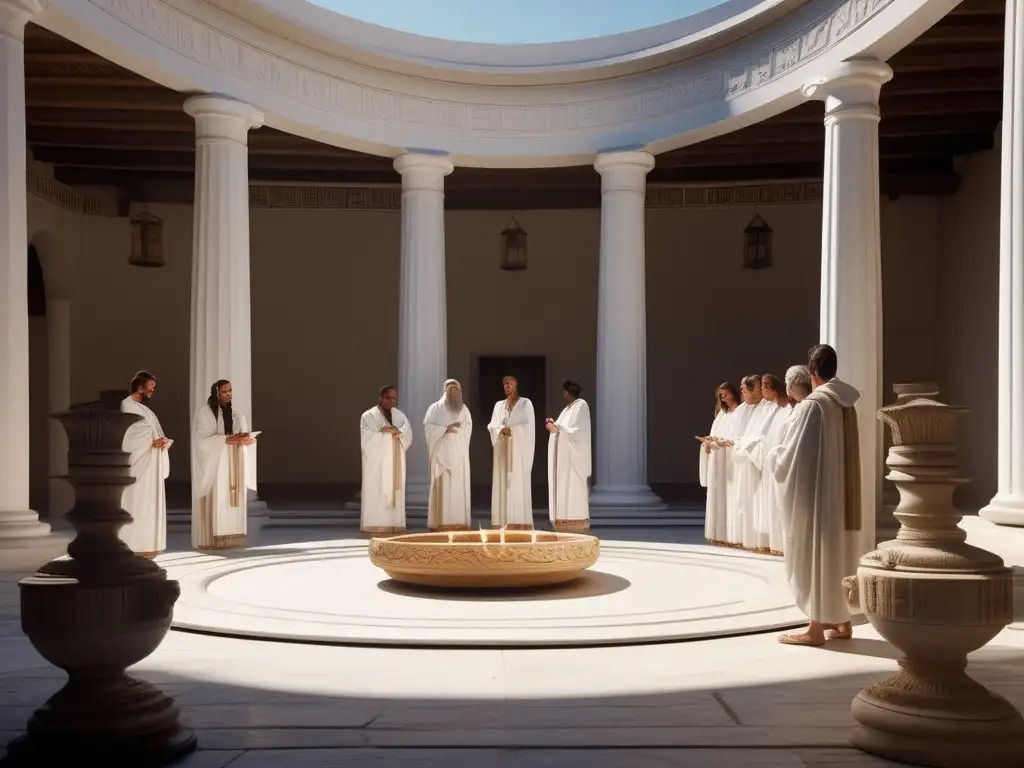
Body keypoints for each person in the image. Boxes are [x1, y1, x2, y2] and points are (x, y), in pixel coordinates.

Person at [766, 344, 864, 647]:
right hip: (843, 495)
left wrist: (772, 454)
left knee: (817, 558)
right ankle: (843, 622)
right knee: (838, 557)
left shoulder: (813, 405)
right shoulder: (846, 402)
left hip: (819, 497)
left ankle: (815, 629)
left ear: (812, 372)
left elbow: (796, 458)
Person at [191, 379, 257, 550]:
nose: (229, 394)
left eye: (230, 391)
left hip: (234, 461)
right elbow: (201, 440)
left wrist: (247, 440)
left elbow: (242, 435)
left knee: (233, 497)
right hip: (217, 463)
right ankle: (215, 539)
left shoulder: (237, 414)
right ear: (216, 393)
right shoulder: (206, 413)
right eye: (224, 392)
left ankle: (234, 537)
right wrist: (226, 439)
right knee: (219, 497)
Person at [120, 370, 170, 558]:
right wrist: (151, 442)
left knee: (147, 506)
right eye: (150, 388)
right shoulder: (125, 406)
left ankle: (147, 544)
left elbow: (150, 433)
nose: (152, 392)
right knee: (135, 504)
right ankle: (133, 545)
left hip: (151, 466)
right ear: (140, 387)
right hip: (137, 465)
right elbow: (127, 438)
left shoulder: (144, 409)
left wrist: (160, 442)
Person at [359, 385, 413, 535]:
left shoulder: (400, 416)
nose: (392, 401)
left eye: (394, 398)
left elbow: (408, 434)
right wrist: (385, 435)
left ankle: (394, 524)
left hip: (395, 462)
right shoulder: (368, 416)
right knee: (378, 491)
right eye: (389, 398)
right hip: (377, 465)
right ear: (381, 398)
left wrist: (398, 432)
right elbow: (367, 440)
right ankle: (375, 524)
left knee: (393, 491)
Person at [731, 374, 776, 549]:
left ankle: (760, 540)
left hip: (759, 460)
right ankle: (751, 538)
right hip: (747, 457)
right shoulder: (747, 409)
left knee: (758, 501)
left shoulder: (768, 408)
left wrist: (747, 445)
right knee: (750, 501)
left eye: (763, 386)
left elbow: (764, 434)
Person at [487, 375, 536, 530]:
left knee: (516, 483)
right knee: (502, 483)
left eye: (510, 383)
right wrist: (501, 429)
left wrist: (513, 430)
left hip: (518, 452)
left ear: (516, 385)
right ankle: (502, 522)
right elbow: (492, 425)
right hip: (502, 449)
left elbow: (528, 426)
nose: (507, 386)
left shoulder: (525, 403)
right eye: (505, 384)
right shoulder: (498, 405)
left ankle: (518, 522)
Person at [424, 379, 473, 531]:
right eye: (450, 387)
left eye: (456, 387)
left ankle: (460, 522)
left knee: (458, 488)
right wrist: (445, 429)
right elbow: (428, 427)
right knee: (443, 490)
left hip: (459, 454)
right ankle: (440, 523)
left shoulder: (464, 410)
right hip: (440, 455)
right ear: (444, 389)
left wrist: (457, 431)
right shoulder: (434, 408)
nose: (453, 389)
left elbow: (468, 428)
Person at [546, 380, 592, 532]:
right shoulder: (567, 409)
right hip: (564, 459)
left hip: (574, 459)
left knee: (573, 487)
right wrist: (553, 425)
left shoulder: (581, 405)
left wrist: (558, 427)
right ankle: (563, 520)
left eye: (565, 392)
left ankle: (576, 521)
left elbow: (578, 430)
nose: (564, 395)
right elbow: (561, 428)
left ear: (568, 393)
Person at [699, 381, 740, 547]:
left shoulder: (740, 411)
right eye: (720, 394)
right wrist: (708, 443)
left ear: (732, 392)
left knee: (729, 492)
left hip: (729, 457)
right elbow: (714, 432)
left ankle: (731, 532)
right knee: (717, 492)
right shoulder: (721, 413)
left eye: (725, 393)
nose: (723, 396)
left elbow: (737, 434)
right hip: (718, 457)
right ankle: (718, 532)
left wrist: (723, 441)